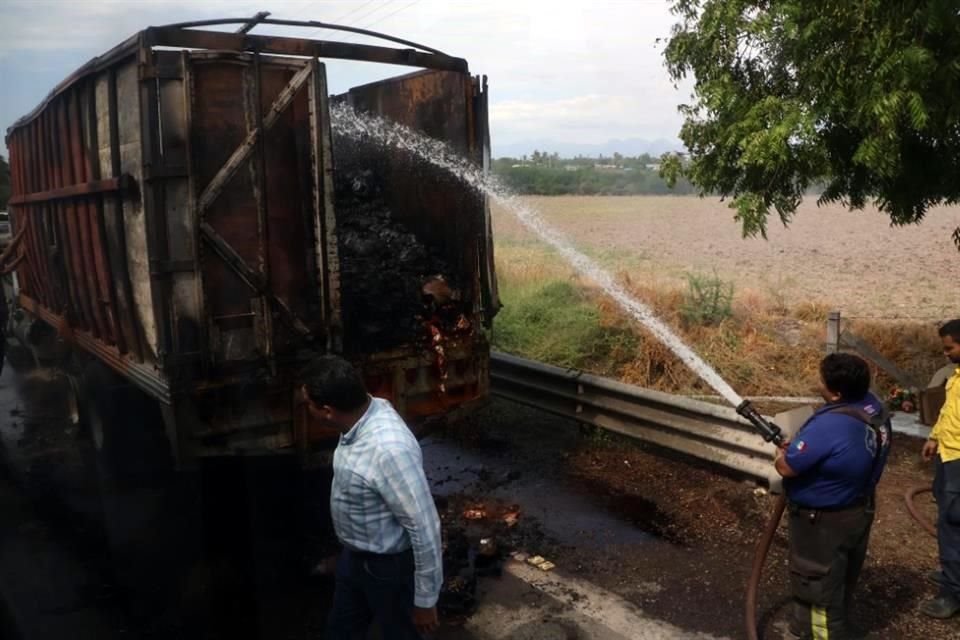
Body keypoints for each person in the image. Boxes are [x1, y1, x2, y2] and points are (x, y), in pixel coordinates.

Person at [300, 355, 442, 639]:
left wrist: (425, 601)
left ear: (327, 411)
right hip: (354, 561)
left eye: (308, 405)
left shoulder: (389, 449)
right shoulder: (358, 418)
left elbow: (425, 526)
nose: (306, 410)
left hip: (388, 571)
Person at [774, 353, 892, 639]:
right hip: (857, 509)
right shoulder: (873, 407)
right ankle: (819, 625)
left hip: (823, 521)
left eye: (821, 379)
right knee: (839, 578)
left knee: (816, 585)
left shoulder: (831, 425)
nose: (818, 381)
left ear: (837, 392)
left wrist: (781, 455)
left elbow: (788, 467)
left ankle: (818, 634)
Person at [920, 318, 960, 619]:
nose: (946, 353)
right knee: (947, 516)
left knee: (952, 524)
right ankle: (952, 572)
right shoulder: (956, 375)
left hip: (958, 461)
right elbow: (949, 412)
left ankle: (952, 592)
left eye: (951, 348)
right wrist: (934, 437)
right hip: (947, 455)